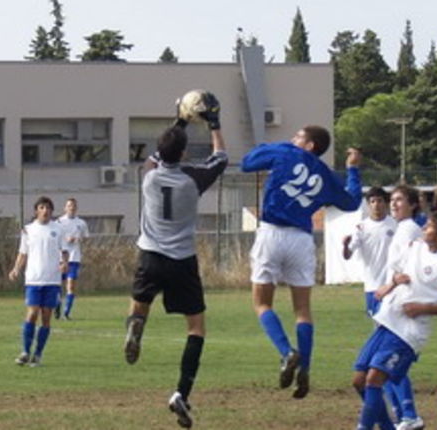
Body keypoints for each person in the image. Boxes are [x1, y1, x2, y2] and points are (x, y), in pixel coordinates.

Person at [122, 91, 226, 429]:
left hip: (149, 255)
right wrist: (213, 123)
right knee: (196, 328)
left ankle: (136, 328)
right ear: (182, 153)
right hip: (181, 260)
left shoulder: (148, 174)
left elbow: (161, 150)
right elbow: (220, 157)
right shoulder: (192, 180)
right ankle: (181, 393)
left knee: (139, 306)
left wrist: (181, 119)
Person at [241, 125, 362, 399]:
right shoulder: (326, 175)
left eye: (298, 136)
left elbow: (248, 163)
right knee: (303, 310)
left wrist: (272, 146)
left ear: (309, 145)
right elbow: (352, 202)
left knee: (261, 304)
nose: (293, 139)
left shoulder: (286, 152)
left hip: (271, 232)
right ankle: (304, 368)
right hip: (301, 239)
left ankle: (287, 353)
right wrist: (353, 169)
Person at [353, 212, 437, 430]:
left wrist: (424, 307)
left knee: (373, 380)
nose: (425, 227)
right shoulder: (417, 247)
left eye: (430, 225)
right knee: (359, 381)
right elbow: (399, 271)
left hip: (408, 333)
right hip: (387, 321)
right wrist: (392, 283)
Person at [377, 185, 424, 429]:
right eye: (392, 200)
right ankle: (403, 416)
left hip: (400, 306)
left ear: (413, 204)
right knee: (383, 364)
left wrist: (391, 285)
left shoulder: (408, 229)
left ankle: (409, 416)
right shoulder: (402, 229)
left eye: (399, 200)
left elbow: (407, 269)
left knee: (388, 364)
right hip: (392, 304)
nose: (393, 204)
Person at [8, 196, 69, 368]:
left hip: (52, 280)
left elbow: (64, 251)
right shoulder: (28, 230)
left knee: (46, 317)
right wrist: (16, 269)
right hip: (33, 279)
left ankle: (38, 354)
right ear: (36, 210)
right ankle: (25, 352)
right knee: (32, 313)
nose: (45, 211)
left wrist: (64, 263)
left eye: (48, 208)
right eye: (42, 207)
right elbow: (23, 253)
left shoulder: (58, 229)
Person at [343, 186, 396, 317]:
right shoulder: (362, 228)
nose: (376, 205)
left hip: (392, 284)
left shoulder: (395, 225)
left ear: (386, 203)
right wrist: (345, 245)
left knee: (393, 324)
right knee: (377, 323)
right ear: (368, 205)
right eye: (373, 201)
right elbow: (348, 255)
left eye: (380, 201)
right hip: (372, 285)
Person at [56, 197, 89, 320]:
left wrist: (78, 239)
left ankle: (66, 313)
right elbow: (54, 236)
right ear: (65, 208)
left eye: (74, 206)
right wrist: (65, 239)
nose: (72, 208)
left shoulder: (81, 223)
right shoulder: (59, 222)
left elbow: (86, 237)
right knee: (57, 285)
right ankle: (57, 306)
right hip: (60, 258)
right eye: (69, 205)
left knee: (70, 286)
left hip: (74, 258)